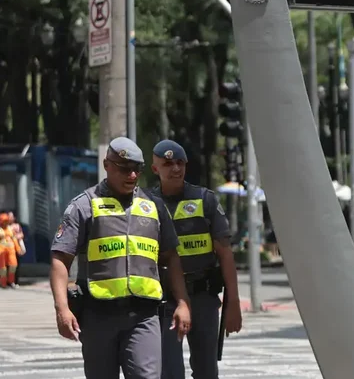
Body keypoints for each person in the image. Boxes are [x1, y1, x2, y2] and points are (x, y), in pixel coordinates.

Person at [49, 137, 192, 379]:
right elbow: (60, 259)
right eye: (125, 169)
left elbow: (171, 257)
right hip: (98, 316)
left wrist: (183, 302)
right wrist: (62, 309)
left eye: (138, 169)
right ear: (107, 165)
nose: (133, 175)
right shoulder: (84, 206)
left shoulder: (154, 207)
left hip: (144, 317)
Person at [149, 139, 243, 379]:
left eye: (180, 162)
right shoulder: (146, 204)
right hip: (165, 301)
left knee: (206, 372)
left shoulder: (205, 200)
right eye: (168, 163)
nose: (176, 168)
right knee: (169, 373)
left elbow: (225, 253)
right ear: (155, 169)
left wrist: (233, 302)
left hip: (203, 298)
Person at [0, 212, 20, 288]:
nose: (5, 222)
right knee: (3, 268)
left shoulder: (10, 229)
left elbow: (14, 239)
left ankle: (11, 281)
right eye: (3, 221)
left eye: (6, 221)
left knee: (13, 265)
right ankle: (3, 283)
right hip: (1, 251)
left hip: (11, 250)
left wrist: (18, 248)